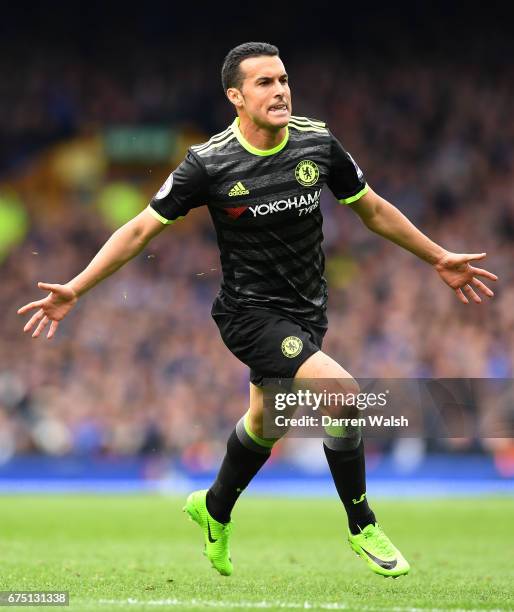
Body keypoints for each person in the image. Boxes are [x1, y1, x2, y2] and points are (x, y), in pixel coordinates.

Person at [18, 42, 497, 579]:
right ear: (236, 97)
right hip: (248, 314)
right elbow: (139, 229)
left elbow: (374, 210)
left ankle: (214, 507)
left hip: (308, 310)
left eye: (284, 79)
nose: (281, 91)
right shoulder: (209, 163)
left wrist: (439, 257)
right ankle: (362, 523)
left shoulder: (317, 142)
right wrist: (77, 288)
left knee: (267, 423)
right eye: (265, 82)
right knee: (342, 393)